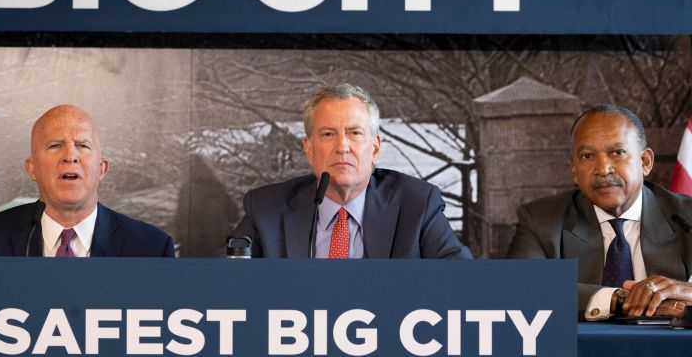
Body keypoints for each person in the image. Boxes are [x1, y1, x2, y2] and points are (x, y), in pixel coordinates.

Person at [0, 105, 175, 303]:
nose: (70, 156)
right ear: (32, 169)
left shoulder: (151, 249)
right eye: (55, 145)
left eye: (83, 145)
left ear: (102, 169)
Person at [230, 83, 470, 259]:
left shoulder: (418, 204)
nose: (342, 147)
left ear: (375, 148)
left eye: (354, 133)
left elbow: (461, 281)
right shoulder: (266, 208)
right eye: (328, 134)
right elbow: (221, 283)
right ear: (309, 149)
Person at [507, 105, 692, 319]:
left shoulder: (686, 216)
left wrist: (684, 291)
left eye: (618, 152)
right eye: (587, 156)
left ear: (645, 162)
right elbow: (519, 288)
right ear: (574, 170)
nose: (603, 169)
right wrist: (620, 300)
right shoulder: (540, 220)